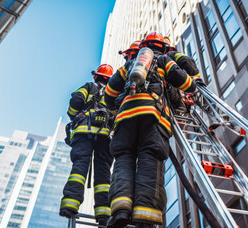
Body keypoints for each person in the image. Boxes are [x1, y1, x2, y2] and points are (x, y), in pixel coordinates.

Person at [105, 32, 196, 228]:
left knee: (123, 160)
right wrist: (194, 87)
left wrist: (116, 108)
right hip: (153, 116)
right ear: (163, 47)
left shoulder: (129, 65)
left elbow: (109, 93)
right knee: (149, 160)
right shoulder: (163, 59)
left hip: (124, 118)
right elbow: (180, 78)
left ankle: (120, 210)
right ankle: (145, 217)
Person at [60, 64, 114, 226]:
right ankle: (104, 214)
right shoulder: (114, 93)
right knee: (103, 174)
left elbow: (76, 100)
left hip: (84, 134)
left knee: (80, 167)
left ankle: (70, 204)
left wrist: (74, 115)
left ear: (96, 76)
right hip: (105, 137)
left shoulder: (89, 86)